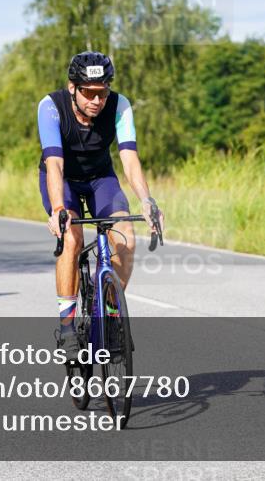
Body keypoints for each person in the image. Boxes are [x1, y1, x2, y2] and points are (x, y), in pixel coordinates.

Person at [38, 51, 164, 354]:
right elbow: (54, 163)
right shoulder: (50, 107)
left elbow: (130, 160)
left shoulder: (120, 106)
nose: (97, 100)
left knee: (126, 239)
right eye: (89, 93)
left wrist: (146, 200)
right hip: (64, 178)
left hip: (100, 179)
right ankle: (67, 328)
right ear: (73, 88)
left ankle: (107, 314)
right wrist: (58, 210)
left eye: (103, 92)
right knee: (72, 238)